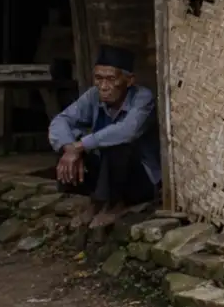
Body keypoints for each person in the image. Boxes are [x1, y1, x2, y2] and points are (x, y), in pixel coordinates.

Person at [48, 44, 161, 229]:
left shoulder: (143, 98)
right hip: (107, 173)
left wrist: (81, 145)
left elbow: (127, 131)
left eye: (110, 79)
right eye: (98, 79)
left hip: (140, 179)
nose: (103, 86)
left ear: (129, 80)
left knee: (118, 145)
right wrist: (69, 147)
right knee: (64, 146)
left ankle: (117, 205)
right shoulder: (94, 96)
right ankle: (97, 202)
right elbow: (61, 120)